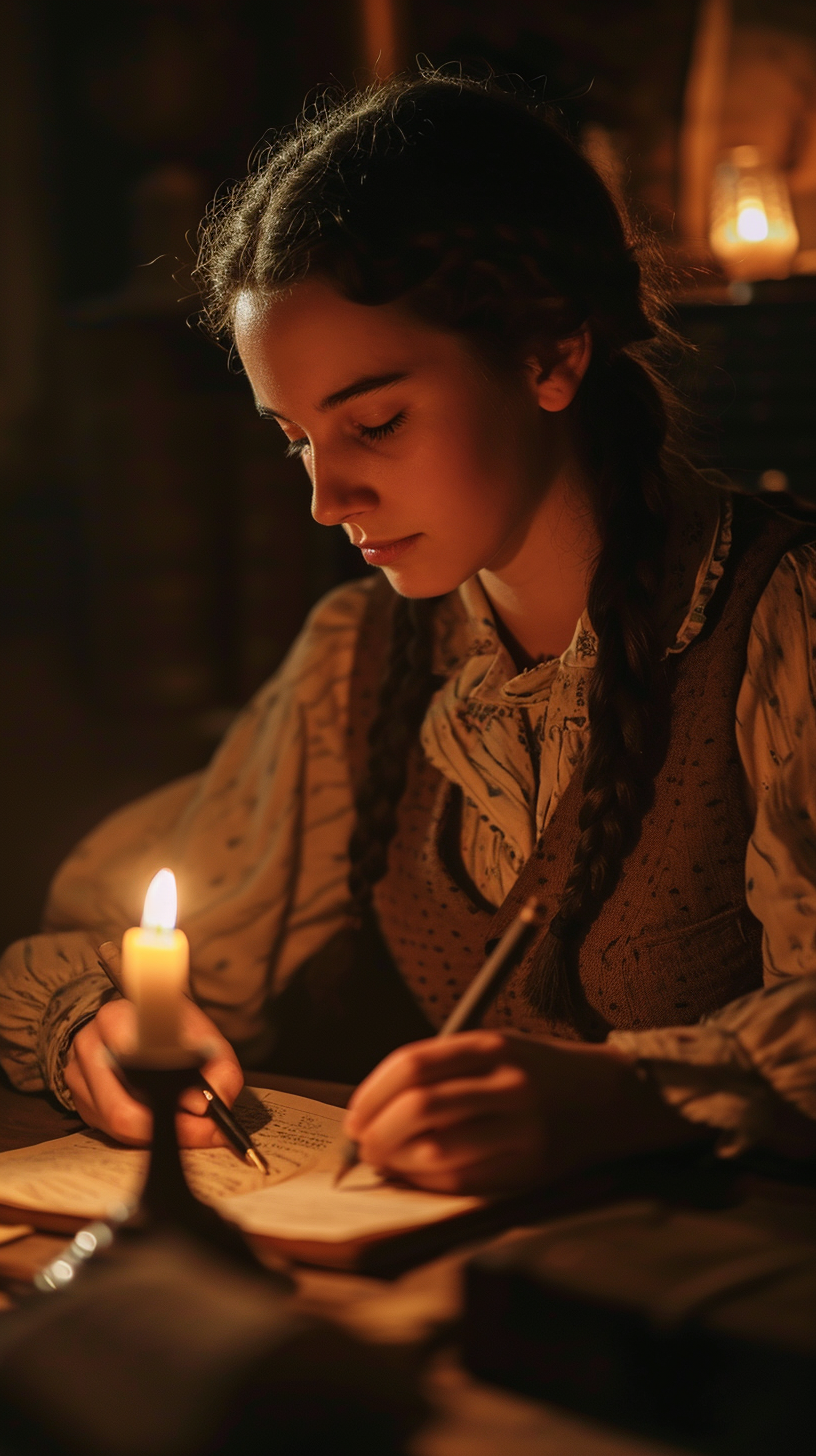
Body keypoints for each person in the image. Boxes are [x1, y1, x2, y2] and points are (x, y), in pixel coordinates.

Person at [2, 74, 816, 1194]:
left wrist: (634, 1094)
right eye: (295, 438)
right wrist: (103, 1023)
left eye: (375, 422)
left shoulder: (778, 623)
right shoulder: (363, 659)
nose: (326, 498)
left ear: (549, 356)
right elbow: (121, 952)